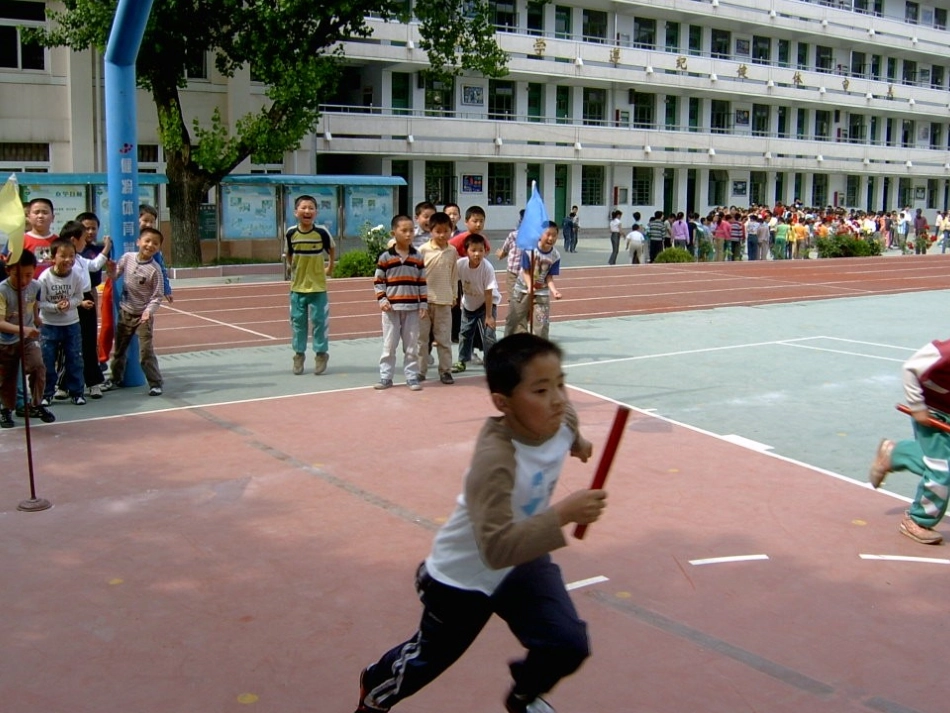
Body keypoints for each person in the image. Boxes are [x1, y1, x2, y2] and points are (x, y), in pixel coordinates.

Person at [354, 332, 604, 713]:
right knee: (427, 661)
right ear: (503, 403)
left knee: (567, 643)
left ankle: (523, 698)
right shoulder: (496, 461)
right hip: (465, 575)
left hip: (523, 558)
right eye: (540, 391)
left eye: (560, 383)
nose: (556, 399)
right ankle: (377, 687)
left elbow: (568, 424)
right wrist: (565, 513)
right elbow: (497, 548)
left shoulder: (561, 416)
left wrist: (579, 444)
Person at [869, 338, 950, 545]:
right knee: (941, 470)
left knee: (941, 465)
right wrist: (917, 406)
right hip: (934, 414)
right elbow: (910, 368)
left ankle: (896, 454)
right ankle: (918, 520)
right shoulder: (945, 351)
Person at [101, 228, 166, 396]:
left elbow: (157, 296)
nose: (150, 245)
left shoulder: (155, 269)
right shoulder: (127, 258)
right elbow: (115, 275)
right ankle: (115, 378)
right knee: (120, 350)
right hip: (126, 312)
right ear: (138, 241)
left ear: (158, 248)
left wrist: (148, 312)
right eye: (147, 241)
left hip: (144, 316)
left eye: (155, 243)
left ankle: (155, 383)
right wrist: (109, 269)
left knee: (145, 352)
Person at [0, 249, 55, 426]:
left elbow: (33, 302)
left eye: (28, 275)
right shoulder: (2, 291)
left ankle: (36, 403)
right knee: (7, 377)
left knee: (38, 366)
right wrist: (22, 329)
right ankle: (5, 409)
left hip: (28, 337)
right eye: (18, 276)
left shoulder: (36, 286)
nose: (24, 281)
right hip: (6, 340)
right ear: (8, 271)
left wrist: (37, 318)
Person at [373, 214, 427, 391]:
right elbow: (378, 281)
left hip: (412, 308)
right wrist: (382, 299)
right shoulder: (385, 258)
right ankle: (385, 377)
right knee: (389, 345)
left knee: (411, 346)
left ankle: (411, 377)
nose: (408, 234)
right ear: (393, 232)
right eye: (404, 230)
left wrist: (423, 304)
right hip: (391, 309)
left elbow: (422, 283)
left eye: (411, 230)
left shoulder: (417, 257)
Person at [57, 221, 111, 399]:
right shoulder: (64, 265)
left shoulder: (81, 260)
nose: (86, 243)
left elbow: (96, 265)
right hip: (72, 302)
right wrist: (77, 302)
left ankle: (93, 383)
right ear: (73, 239)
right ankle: (64, 385)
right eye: (83, 239)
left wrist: (107, 247)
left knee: (88, 343)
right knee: (69, 346)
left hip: (86, 301)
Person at [285, 194, 335, 376]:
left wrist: (330, 267)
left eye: (311, 208)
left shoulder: (321, 232)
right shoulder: (290, 233)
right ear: (295, 212)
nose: (307, 211)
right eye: (303, 208)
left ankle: (321, 354)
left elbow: (331, 248)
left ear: (316, 212)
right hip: (297, 288)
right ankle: (299, 355)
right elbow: (289, 254)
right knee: (298, 323)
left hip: (318, 288)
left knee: (319, 322)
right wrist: (292, 268)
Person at [37, 238, 89, 406]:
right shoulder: (44, 278)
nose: (68, 260)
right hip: (49, 326)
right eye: (63, 256)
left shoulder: (76, 276)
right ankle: (46, 394)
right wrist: (56, 307)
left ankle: (77, 392)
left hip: (72, 324)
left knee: (74, 359)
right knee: (47, 361)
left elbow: (79, 297)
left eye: (72, 256)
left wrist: (69, 304)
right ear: (53, 257)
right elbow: (40, 303)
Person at [418, 211, 458, 385]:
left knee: (444, 339)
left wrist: (454, 295)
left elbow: (454, 275)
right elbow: (417, 276)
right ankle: (420, 371)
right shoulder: (422, 250)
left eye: (446, 231)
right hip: (424, 303)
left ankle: (446, 371)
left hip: (444, 302)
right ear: (430, 231)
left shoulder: (452, 251)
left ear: (451, 230)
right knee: (421, 340)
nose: (442, 235)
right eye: (438, 231)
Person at [505, 222, 562, 341]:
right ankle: (508, 348)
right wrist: (530, 286)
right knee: (514, 319)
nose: (551, 238)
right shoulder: (529, 250)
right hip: (522, 290)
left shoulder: (555, 255)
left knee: (542, 323)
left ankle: (540, 352)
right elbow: (525, 272)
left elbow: (549, 277)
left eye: (554, 235)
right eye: (548, 234)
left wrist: (554, 291)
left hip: (542, 293)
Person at [452, 233, 500, 373]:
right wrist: (454, 297)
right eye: (473, 250)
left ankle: (490, 360)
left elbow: (489, 293)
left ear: (485, 251)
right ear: (466, 252)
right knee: (465, 333)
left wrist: (489, 316)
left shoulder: (487, 268)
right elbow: (454, 281)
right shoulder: (460, 265)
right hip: (468, 304)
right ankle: (462, 360)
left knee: (489, 334)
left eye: (481, 250)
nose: (477, 254)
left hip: (487, 304)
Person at [138, 204, 173, 302]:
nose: (149, 224)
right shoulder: (128, 239)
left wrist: (166, 290)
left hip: (145, 289)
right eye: (145, 221)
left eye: (152, 222)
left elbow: (161, 269)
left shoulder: (153, 243)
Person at [22, 197, 58, 275]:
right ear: (29, 217)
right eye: (36, 212)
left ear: (53, 217)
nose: (40, 216)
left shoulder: (58, 241)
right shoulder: (20, 240)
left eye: (45, 212)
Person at [496, 210, 525, 303]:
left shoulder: (513, 235)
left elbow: (504, 250)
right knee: (525, 299)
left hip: (514, 272)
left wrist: (500, 255)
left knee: (514, 299)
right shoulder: (537, 236)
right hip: (528, 272)